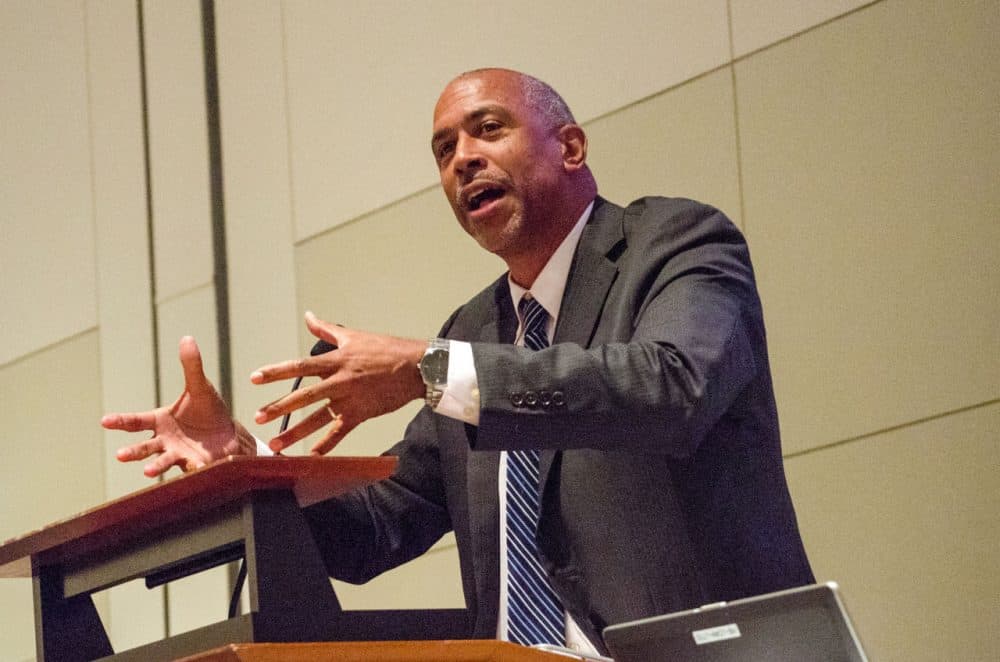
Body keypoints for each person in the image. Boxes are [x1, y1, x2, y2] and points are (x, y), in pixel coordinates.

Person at [103, 68, 813, 655]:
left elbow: (673, 388)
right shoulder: (476, 329)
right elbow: (380, 525)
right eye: (444, 151)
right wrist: (245, 470)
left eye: (488, 129)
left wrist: (431, 371)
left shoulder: (675, 241)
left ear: (570, 146)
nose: (462, 159)